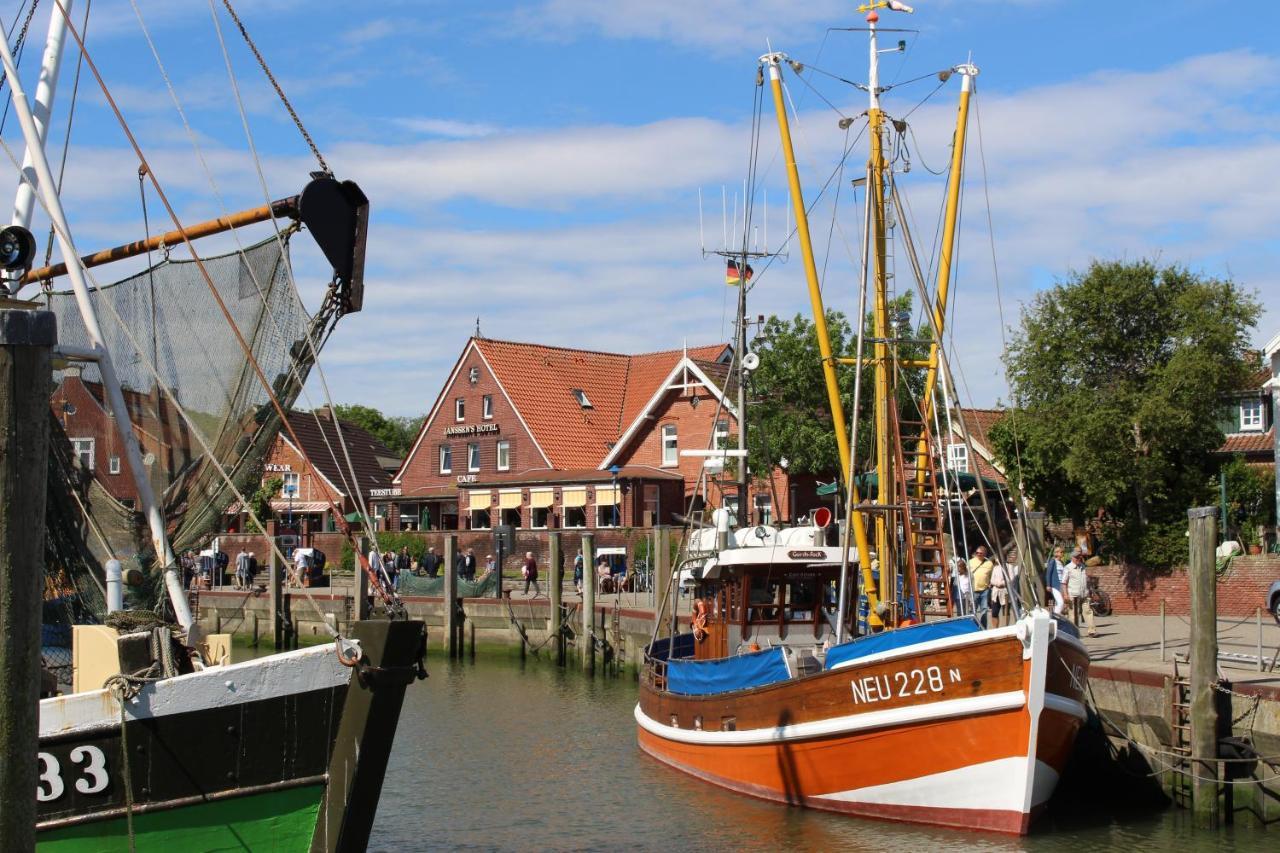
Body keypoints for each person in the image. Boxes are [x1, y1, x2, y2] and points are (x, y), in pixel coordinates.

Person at [1063, 550, 1096, 637]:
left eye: (1079, 557)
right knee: (1074, 614)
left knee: (1088, 611)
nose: (1079, 559)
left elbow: (1086, 581)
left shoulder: (1082, 567)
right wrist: (1065, 595)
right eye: (1077, 557)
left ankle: (1091, 631)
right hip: (1073, 594)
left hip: (1084, 594)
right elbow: (1064, 583)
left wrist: (1089, 591)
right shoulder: (1068, 568)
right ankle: (1074, 632)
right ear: (1072, 558)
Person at [968, 545, 994, 627]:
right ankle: (972, 627)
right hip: (974, 590)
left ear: (985, 554)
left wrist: (990, 584)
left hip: (984, 590)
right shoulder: (970, 562)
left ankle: (983, 627)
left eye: (980, 553)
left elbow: (991, 575)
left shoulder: (989, 563)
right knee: (972, 610)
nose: (978, 554)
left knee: (984, 610)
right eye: (977, 553)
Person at [1044, 546, 1066, 615]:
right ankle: (1053, 617)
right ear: (1057, 553)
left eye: (1063, 552)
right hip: (1054, 585)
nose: (1062, 553)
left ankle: (1055, 617)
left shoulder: (1061, 562)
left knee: (1059, 603)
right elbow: (1048, 573)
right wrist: (1048, 585)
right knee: (1060, 603)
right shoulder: (1053, 561)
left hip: (1061, 585)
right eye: (1061, 552)